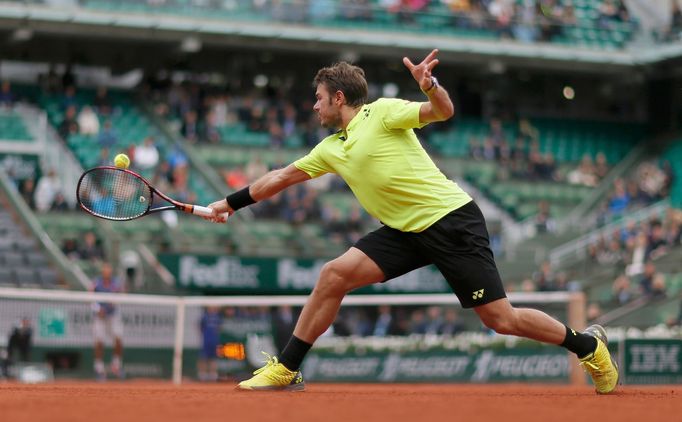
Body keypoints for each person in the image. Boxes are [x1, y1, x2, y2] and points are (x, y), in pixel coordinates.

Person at [203, 50, 618, 394]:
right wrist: (228, 203)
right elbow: (280, 177)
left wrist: (429, 85)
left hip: (451, 220)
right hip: (404, 231)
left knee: (500, 320)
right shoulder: (330, 148)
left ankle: (588, 346)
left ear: (339, 98)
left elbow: (442, 111)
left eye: (319, 97)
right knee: (334, 275)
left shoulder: (382, 113)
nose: (314, 105)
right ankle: (288, 367)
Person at [91, 262, 125, 381]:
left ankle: (116, 364)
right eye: (105, 270)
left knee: (118, 339)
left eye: (109, 271)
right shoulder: (96, 282)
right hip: (99, 317)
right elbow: (89, 297)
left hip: (113, 315)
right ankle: (99, 369)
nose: (107, 273)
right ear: (102, 272)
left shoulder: (116, 283)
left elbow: (120, 295)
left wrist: (112, 304)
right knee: (99, 341)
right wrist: (98, 309)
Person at [198, 306, 222, 382]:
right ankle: (203, 375)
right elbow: (200, 327)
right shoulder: (204, 317)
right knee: (203, 358)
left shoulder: (218, 317)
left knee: (213, 358)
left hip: (214, 341)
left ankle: (213, 375)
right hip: (206, 341)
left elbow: (220, 328)